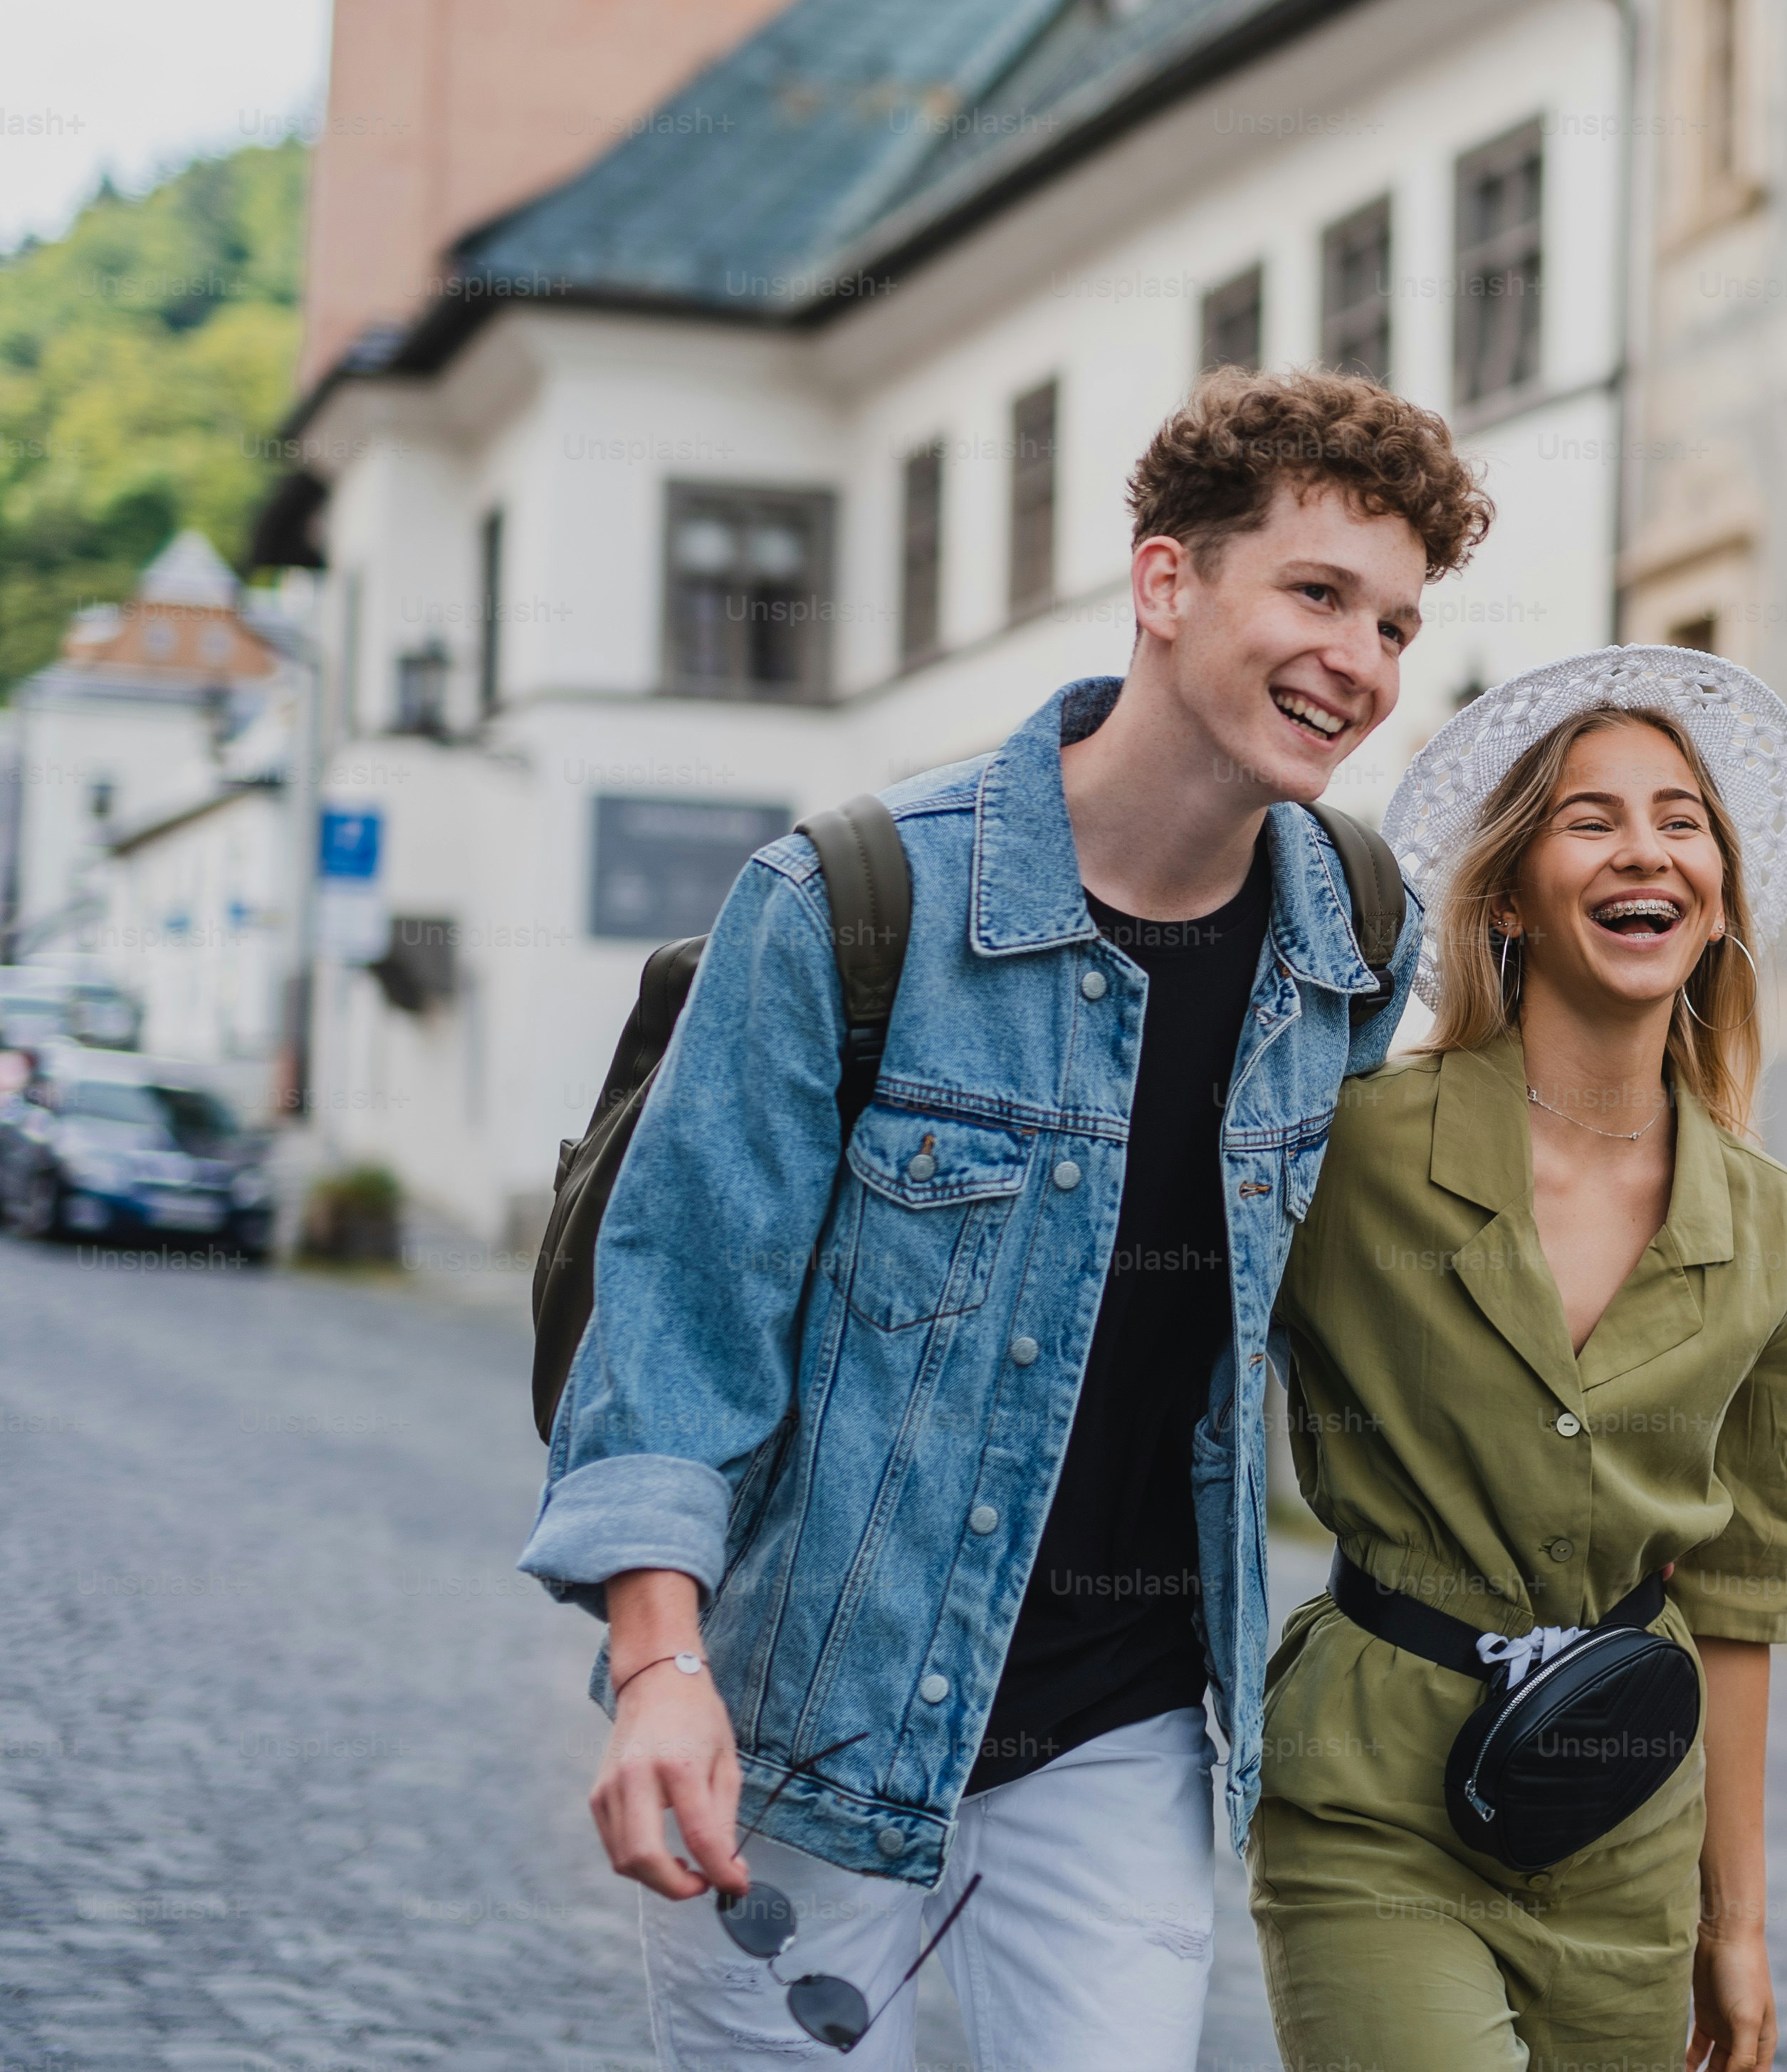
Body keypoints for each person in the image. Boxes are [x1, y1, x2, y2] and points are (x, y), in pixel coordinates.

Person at [514, 368, 1493, 2068]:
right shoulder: (850, 901)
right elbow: (679, 1318)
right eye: (1318, 593)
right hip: (810, 1718)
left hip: (1125, 1724)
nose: (1363, 661)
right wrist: (659, 1666)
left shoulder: (1354, 924)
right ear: (1166, 583)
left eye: (1398, 625)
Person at [1251, 647, 1787, 2072]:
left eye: (1682, 820)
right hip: (1373, 1805)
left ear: (1716, 898)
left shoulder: (1766, 1226)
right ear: (1506, 891)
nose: (1648, 850)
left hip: (1625, 1820)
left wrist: (1733, 1920)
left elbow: (1742, 1592)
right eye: (1592, 818)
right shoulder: (1353, 1148)